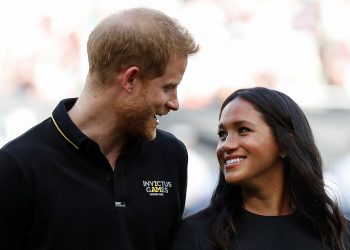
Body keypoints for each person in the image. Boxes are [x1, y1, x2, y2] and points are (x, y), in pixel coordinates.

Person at [0, 7, 199, 250]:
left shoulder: (171, 155)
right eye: (169, 87)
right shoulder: (17, 166)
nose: (175, 103)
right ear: (130, 80)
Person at [170, 87, 350, 250]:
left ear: (286, 143)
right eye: (222, 134)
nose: (226, 145)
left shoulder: (337, 233)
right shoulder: (196, 234)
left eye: (243, 130)